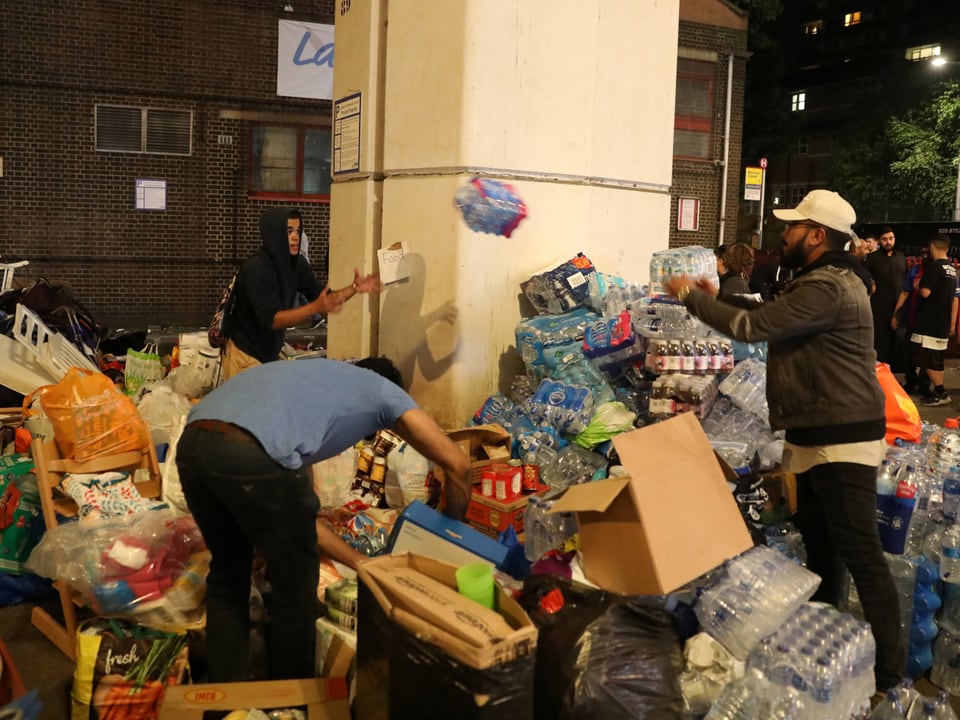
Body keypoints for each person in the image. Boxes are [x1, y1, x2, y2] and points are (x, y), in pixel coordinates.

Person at [664, 189, 904, 692]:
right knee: (823, 546)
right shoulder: (819, 282)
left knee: (860, 553)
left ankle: (887, 678)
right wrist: (713, 294)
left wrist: (692, 296)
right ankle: (828, 644)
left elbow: (753, 326)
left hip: (841, 439)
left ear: (817, 235)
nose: (784, 233)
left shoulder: (829, 287)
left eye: (793, 227)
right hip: (819, 434)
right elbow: (767, 309)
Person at [175, 357, 471, 683]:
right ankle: (291, 701)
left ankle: (222, 700)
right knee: (296, 580)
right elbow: (458, 466)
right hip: (247, 449)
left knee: (229, 574)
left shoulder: (315, 385)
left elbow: (299, 513)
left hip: (192, 444)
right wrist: (449, 535)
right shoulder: (387, 393)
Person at [220, 208, 381, 381]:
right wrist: (314, 308)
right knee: (250, 408)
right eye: (289, 231)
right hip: (246, 355)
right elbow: (272, 319)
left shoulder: (296, 265)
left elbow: (323, 297)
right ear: (274, 234)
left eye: (298, 230)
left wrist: (355, 287)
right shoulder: (256, 268)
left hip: (269, 354)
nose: (296, 237)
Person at [907, 235, 958, 406]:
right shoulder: (951, 269)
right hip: (942, 321)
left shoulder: (935, 267)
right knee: (936, 358)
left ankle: (940, 392)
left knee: (926, 359)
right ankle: (939, 391)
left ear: (933, 247)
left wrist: (919, 285)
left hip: (929, 322)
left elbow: (925, 292)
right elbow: (954, 298)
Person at [891, 243, 931, 397]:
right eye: (923, 253)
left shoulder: (937, 271)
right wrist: (896, 314)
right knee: (909, 352)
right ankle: (911, 380)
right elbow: (905, 292)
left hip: (928, 321)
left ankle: (924, 383)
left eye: (928, 253)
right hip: (911, 317)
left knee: (927, 355)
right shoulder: (915, 270)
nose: (925, 256)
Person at [864, 226, 907, 367]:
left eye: (891, 238)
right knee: (881, 343)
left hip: (899, 306)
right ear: (878, 241)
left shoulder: (901, 257)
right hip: (879, 308)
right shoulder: (872, 259)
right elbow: (863, 276)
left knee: (899, 343)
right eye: (884, 239)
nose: (888, 242)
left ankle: (896, 378)